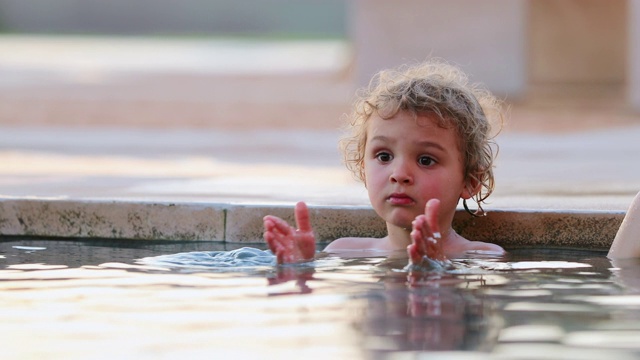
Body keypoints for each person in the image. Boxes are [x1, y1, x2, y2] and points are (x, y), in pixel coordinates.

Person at [263, 59, 505, 266]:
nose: (399, 174)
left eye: (425, 160)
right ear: (362, 168)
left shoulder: (481, 257)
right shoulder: (344, 252)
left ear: (470, 181)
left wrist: (437, 268)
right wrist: (299, 267)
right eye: (384, 156)